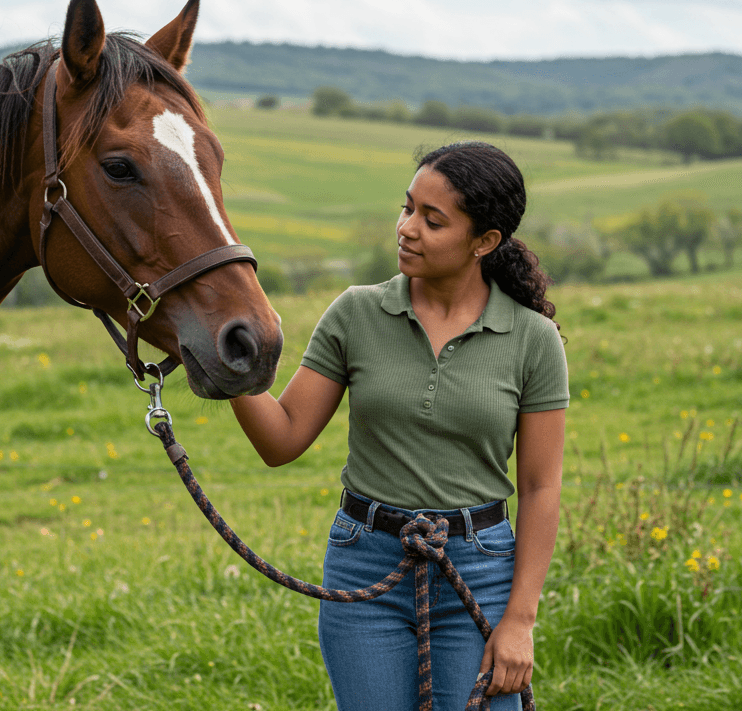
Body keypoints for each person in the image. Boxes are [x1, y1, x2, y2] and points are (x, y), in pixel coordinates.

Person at [230, 141, 568, 710]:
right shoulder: (356, 313)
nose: (407, 228)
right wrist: (232, 368)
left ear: (484, 242)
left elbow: (541, 486)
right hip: (366, 565)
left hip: (480, 572)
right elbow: (282, 439)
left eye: (432, 221)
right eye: (407, 207)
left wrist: (519, 620)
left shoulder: (533, 340)